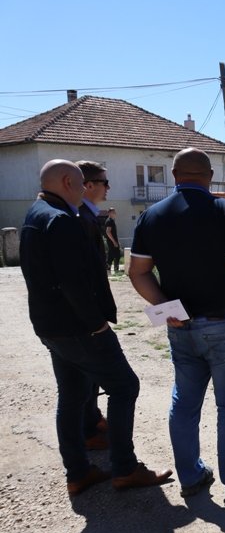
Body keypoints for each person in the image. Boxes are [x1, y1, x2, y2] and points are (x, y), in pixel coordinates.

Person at [129, 148, 225, 507]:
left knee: (184, 403)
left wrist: (165, 309)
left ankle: (191, 477)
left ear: (174, 175)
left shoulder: (150, 217)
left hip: (181, 328)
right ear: (209, 176)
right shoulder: (224, 211)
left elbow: (138, 272)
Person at [19, 160, 172, 497]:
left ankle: (78, 472)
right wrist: (97, 325)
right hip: (79, 329)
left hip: (51, 328)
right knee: (124, 386)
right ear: (67, 182)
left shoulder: (36, 213)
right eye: (82, 184)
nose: (88, 190)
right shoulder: (60, 221)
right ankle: (125, 468)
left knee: (72, 396)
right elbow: (73, 283)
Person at [75, 161, 113, 450]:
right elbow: (77, 277)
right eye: (103, 181)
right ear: (87, 185)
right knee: (91, 377)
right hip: (85, 321)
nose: (108, 187)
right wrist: (95, 321)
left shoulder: (88, 216)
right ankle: (88, 431)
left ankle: (92, 419)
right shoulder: (78, 218)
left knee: (89, 378)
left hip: (89, 317)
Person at [105, 208, 121, 272]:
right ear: (109, 213)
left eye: (115, 212)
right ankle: (115, 269)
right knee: (117, 254)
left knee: (111, 255)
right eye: (113, 212)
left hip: (113, 241)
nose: (115, 213)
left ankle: (109, 268)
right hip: (111, 242)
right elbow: (108, 232)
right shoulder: (109, 221)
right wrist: (114, 242)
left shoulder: (112, 220)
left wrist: (117, 241)